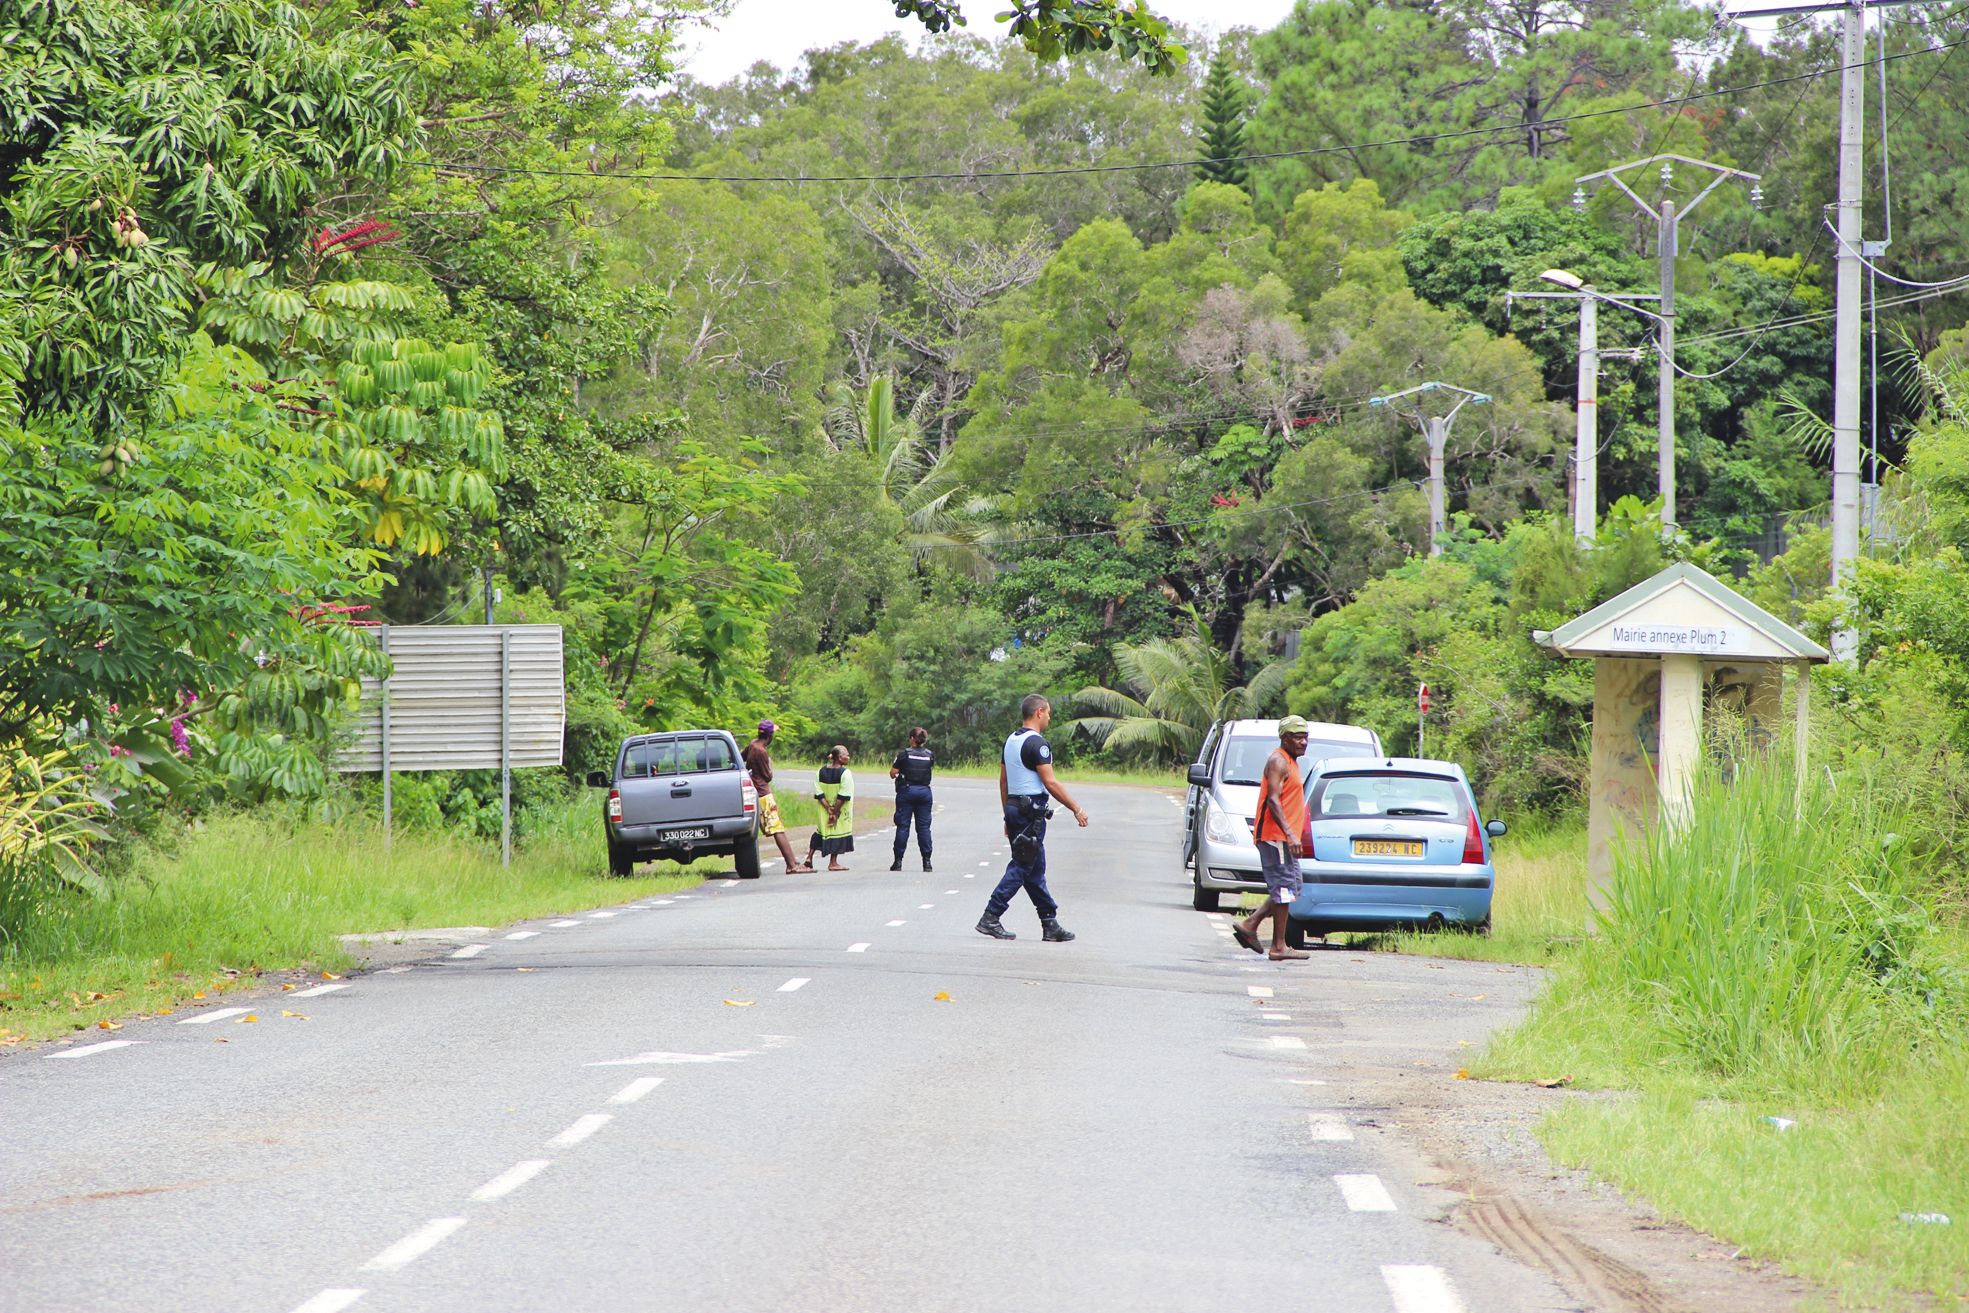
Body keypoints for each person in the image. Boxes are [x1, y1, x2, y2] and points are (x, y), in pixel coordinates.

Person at [976, 694, 1087, 943]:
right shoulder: (1037, 743)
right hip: (1030, 813)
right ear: (1038, 712)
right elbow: (1050, 782)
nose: (1049, 717)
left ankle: (1050, 923)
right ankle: (991, 915)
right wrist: (1076, 808)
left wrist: (1007, 815)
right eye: (1047, 713)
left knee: (1035, 869)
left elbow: (1003, 781)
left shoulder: (1011, 740)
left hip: (1015, 808)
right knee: (1022, 866)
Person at [1232, 715, 1312, 962]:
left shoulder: (1291, 761)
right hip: (1276, 837)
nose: (1303, 742)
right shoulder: (1278, 760)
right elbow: (1273, 800)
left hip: (1285, 839)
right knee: (1284, 888)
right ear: (1284, 738)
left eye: (1305, 736)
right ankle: (1278, 946)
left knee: (1291, 887)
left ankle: (1251, 924)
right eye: (1297, 737)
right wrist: (1289, 833)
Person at [743, 720, 812, 875]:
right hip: (763, 794)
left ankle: (793, 862)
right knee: (777, 829)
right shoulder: (762, 751)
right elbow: (768, 776)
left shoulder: (753, 744)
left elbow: (743, 760)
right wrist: (769, 764)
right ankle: (791, 865)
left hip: (755, 791)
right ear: (769, 735)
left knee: (777, 828)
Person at [889, 726, 935, 872]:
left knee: (903, 827)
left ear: (911, 739)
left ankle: (898, 861)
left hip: (907, 791)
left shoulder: (904, 754)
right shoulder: (929, 755)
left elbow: (893, 773)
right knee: (924, 828)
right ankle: (927, 862)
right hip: (925, 792)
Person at [813, 745, 856, 871]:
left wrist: (827, 808)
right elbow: (843, 795)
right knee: (837, 833)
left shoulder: (820, 771)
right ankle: (833, 862)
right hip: (839, 810)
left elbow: (818, 791)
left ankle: (809, 858)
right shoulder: (845, 773)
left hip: (823, 809)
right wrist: (834, 812)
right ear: (839, 758)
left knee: (820, 832)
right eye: (846, 755)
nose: (848, 757)